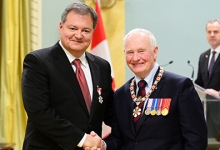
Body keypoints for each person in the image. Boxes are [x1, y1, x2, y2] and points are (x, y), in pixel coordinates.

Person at [21, 2, 113, 150]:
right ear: (61, 27)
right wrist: (83, 140)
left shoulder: (102, 66)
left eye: (86, 30)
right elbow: (40, 113)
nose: (78, 35)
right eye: (73, 28)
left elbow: (109, 111)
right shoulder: (38, 62)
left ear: (92, 32)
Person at [102, 28, 207, 150]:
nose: (135, 58)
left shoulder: (179, 87)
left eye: (141, 51)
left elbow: (196, 140)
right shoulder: (120, 95)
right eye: (130, 52)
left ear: (155, 52)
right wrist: (102, 145)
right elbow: (119, 139)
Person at [195, 19, 220, 138]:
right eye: (209, 32)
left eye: (216, 31)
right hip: (207, 114)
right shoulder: (203, 56)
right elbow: (199, 82)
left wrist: (218, 93)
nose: (212, 35)